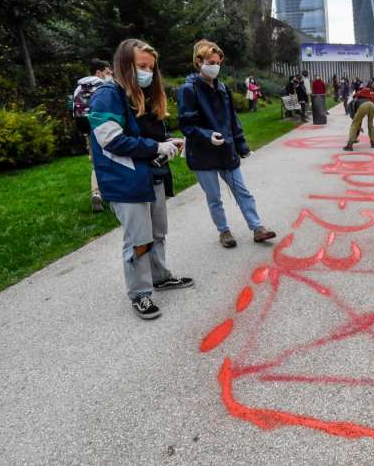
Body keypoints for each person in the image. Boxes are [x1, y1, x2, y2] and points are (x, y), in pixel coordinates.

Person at [88, 39, 193, 320]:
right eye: (141, 66)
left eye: (150, 67)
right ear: (124, 65)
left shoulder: (142, 94)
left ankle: (160, 277)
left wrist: (166, 142)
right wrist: (155, 147)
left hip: (150, 176)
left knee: (157, 233)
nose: (147, 72)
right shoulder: (107, 95)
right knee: (139, 239)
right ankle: (140, 294)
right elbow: (111, 140)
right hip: (126, 181)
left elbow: (146, 135)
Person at [178, 40, 277, 250]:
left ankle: (257, 227)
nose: (215, 66)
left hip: (225, 150)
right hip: (203, 154)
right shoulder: (188, 89)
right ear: (199, 62)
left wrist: (241, 145)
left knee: (242, 191)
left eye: (218, 62)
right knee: (214, 197)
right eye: (211, 62)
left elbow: (232, 119)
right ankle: (223, 231)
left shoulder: (222, 88)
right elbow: (187, 124)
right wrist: (206, 136)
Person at [73, 58, 113, 212]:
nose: (110, 75)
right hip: (104, 127)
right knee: (112, 158)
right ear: (98, 72)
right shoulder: (104, 86)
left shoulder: (78, 88)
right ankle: (111, 193)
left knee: (96, 162)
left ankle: (96, 192)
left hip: (87, 128)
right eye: (108, 72)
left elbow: (74, 112)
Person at [343, 86, 374, 151]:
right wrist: (359, 126)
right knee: (370, 125)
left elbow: (354, 119)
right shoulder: (365, 97)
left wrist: (358, 126)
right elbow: (359, 119)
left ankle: (349, 145)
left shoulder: (353, 102)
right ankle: (373, 143)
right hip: (372, 105)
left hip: (363, 106)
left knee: (354, 125)